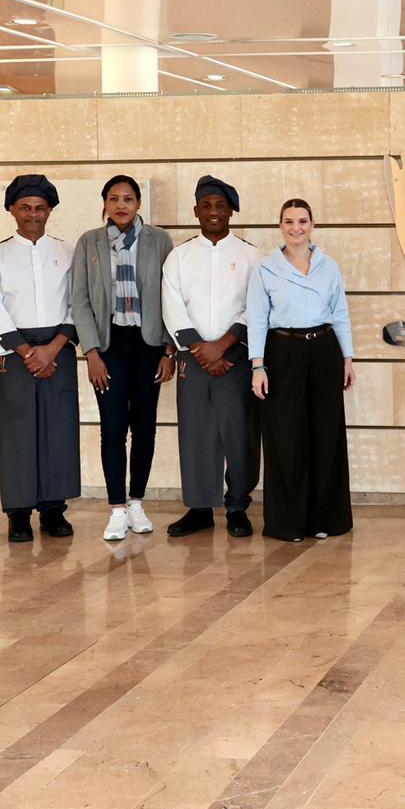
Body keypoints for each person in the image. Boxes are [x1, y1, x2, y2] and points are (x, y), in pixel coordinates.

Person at [71, 175, 176, 542]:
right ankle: (116, 507)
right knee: (113, 427)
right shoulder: (89, 242)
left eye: (128, 199)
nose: (121, 205)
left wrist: (169, 349)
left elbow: (171, 295)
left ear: (138, 203)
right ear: (105, 203)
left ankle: (136, 502)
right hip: (109, 345)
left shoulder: (159, 240)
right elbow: (80, 300)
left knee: (144, 426)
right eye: (114, 199)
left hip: (149, 345)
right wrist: (91, 352)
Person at [0, 175, 80, 543]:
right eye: (25, 207)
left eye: (39, 208)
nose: (32, 214)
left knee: (59, 428)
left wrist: (52, 349)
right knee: (17, 431)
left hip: (58, 350)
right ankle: (18, 512)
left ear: (50, 211)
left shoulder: (68, 251)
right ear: (12, 210)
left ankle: (54, 509)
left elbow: (78, 301)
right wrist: (25, 351)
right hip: (15, 353)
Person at [248, 198, 355, 542]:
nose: (296, 228)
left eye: (302, 221)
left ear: (313, 225)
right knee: (285, 436)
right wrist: (258, 366)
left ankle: (325, 519)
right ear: (280, 225)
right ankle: (288, 523)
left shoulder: (329, 266)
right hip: (283, 350)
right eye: (289, 221)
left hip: (324, 350)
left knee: (326, 434)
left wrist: (348, 358)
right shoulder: (265, 268)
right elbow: (257, 319)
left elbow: (340, 313)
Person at [161, 175, 260, 538]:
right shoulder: (179, 256)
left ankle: (237, 507)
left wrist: (225, 345)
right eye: (206, 205)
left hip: (236, 357)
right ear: (196, 211)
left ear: (231, 211)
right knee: (196, 433)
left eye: (220, 205)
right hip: (194, 357)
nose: (213, 212)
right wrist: (200, 348)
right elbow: (172, 305)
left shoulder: (251, 256)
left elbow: (256, 306)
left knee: (239, 433)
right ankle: (200, 508)